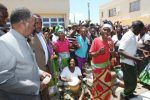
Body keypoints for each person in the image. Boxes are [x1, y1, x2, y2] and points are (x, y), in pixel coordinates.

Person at [0, 7, 51, 100]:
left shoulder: (23, 39)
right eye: (33, 24)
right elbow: (4, 81)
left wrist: (41, 73)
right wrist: (35, 87)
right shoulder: (4, 43)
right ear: (23, 24)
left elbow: (27, 66)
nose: (34, 27)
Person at [119, 20, 144, 99]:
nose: (140, 32)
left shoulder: (133, 35)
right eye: (140, 29)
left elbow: (136, 45)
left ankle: (129, 94)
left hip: (131, 62)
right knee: (131, 83)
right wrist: (135, 58)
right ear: (135, 27)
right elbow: (120, 51)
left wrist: (145, 50)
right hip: (126, 63)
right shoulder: (128, 36)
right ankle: (123, 96)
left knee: (132, 82)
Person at [89, 24, 114, 100]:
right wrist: (98, 53)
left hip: (106, 67)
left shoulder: (110, 40)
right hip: (97, 68)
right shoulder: (96, 40)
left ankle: (106, 98)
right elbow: (90, 55)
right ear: (101, 31)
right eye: (105, 29)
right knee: (97, 86)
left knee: (107, 85)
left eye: (108, 30)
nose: (106, 31)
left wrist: (112, 48)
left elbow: (113, 55)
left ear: (110, 32)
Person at [29, 14, 51, 100]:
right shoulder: (29, 37)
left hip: (46, 68)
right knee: (39, 93)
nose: (39, 25)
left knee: (45, 91)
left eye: (40, 23)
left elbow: (44, 51)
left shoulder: (41, 34)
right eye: (36, 23)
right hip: (37, 72)